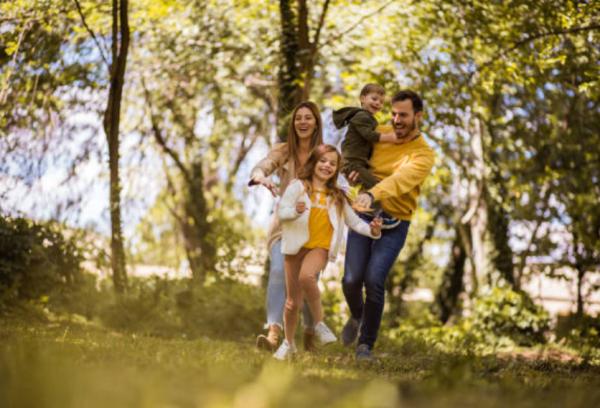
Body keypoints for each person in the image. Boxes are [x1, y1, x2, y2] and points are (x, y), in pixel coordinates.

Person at [341, 90, 435, 361]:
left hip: (396, 222)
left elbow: (400, 180)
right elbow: (352, 153)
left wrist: (372, 193)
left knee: (374, 280)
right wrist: (352, 170)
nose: (396, 120)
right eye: (393, 113)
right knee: (350, 280)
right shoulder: (379, 133)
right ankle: (357, 316)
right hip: (364, 214)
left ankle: (365, 345)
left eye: (403, 115)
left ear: (418, 116)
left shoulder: (423, 154)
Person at [273, 144, 382, 360]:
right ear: (314, 162)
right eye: (323, 161)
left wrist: (372, 230)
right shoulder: (298, 186)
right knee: (292, 302)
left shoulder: (338, 196)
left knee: (307, 276)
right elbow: (282, 212)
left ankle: (320, 324)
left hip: (320, 248)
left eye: (333, 163)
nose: (327, 166)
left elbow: (354, 222)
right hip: (295, 247)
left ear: (337, 169)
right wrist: (295, 211)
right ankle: (288, 343)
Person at [249, 101, 323, 352]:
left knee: (307, 279)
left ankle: (310, 331)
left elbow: (340, 181)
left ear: (316, 123)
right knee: (279, 272)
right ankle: (273, 334)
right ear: (293, 124)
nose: (302, 122)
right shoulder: (283, 151)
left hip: (315, 228)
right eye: (298, 118)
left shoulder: (324, 154)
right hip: (286, 225)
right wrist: (260, 175)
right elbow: (264, 164)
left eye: (308, 118)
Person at [332, 83, 401, 226]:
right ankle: (375, 216)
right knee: (376, 186)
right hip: (352, 164)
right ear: (362, 98)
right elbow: (368, 135)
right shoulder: (361, 116)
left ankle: (363, 214)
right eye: (374, 99)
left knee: (367, 189)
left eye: (381, 102)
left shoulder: (368, 118)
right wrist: (389, 137)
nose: (378, 103)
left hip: (357, 164)